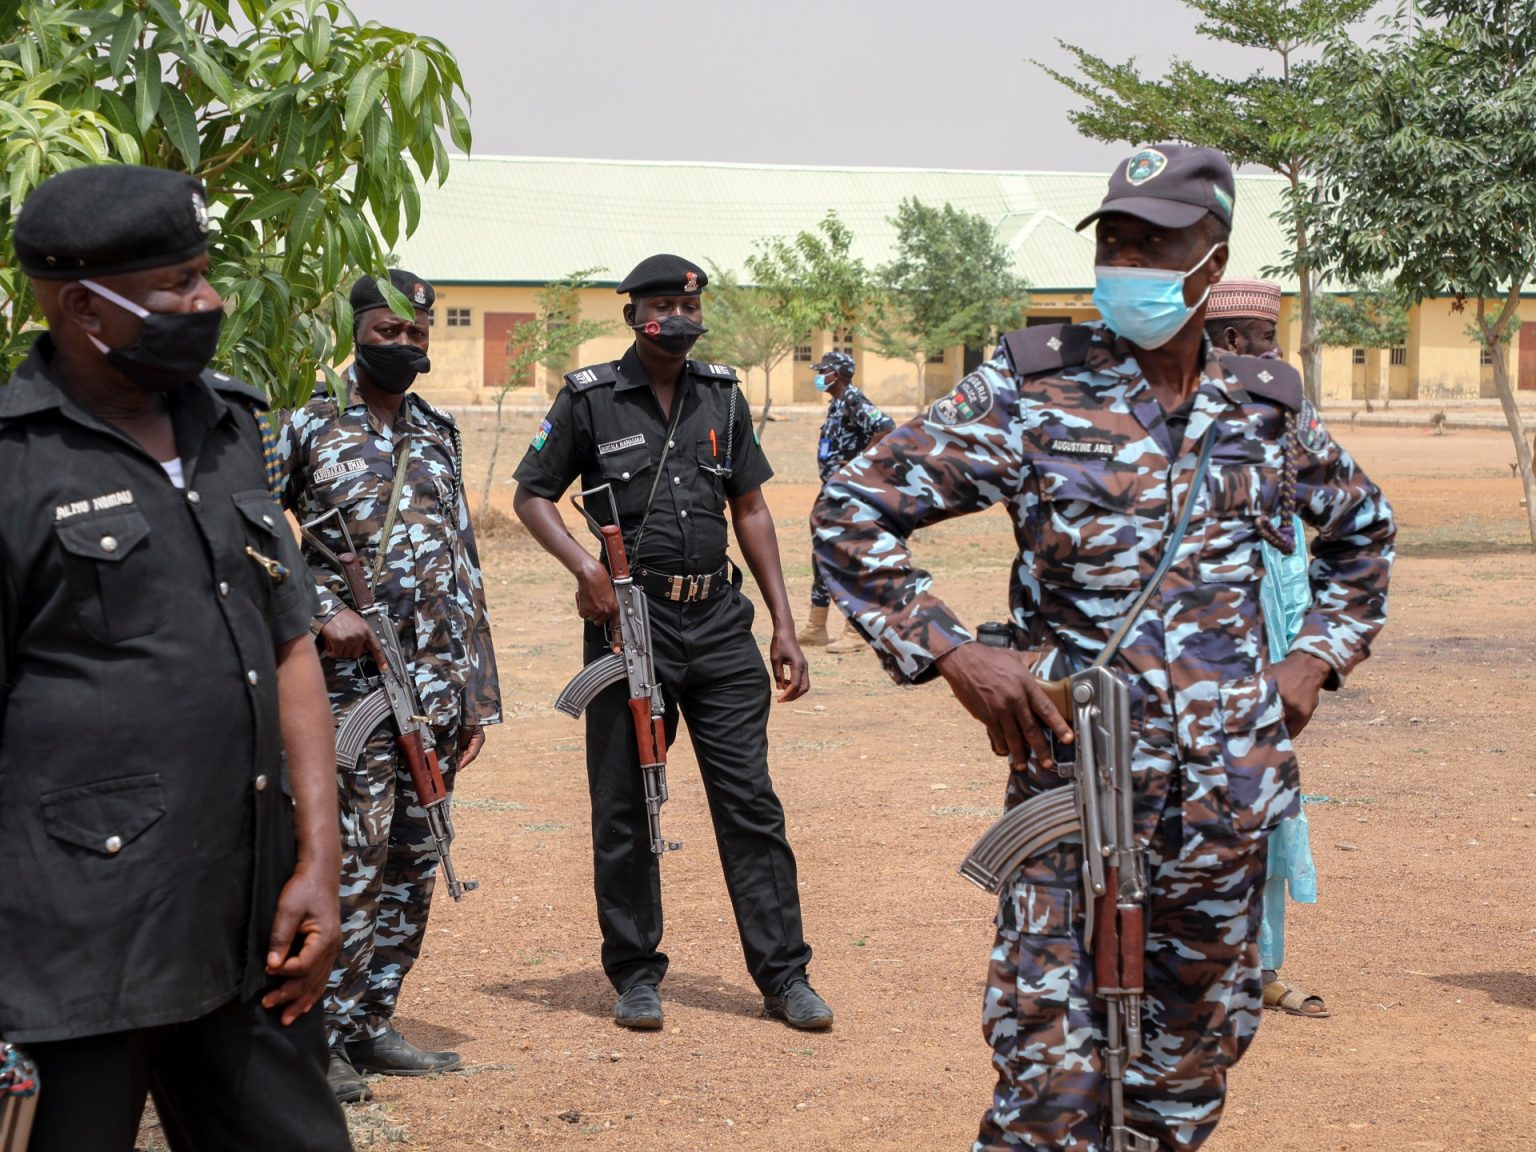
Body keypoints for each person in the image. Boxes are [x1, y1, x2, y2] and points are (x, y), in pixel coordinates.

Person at [812, 145, 1395, 1150]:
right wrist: (953, 652)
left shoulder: (1263, 408)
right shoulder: (1033, 386)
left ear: (1212, 262)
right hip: (1072, 791)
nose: (1126, 263)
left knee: (1186, 1076)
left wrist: (1313, 659)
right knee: (1051, 1087)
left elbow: (1362, 534)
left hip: (1224, 798)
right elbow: (852, 509)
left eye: (1153, 244)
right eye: (1114, 241)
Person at [0, 165, 351, 1150]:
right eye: (177, 284)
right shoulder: (15, 465)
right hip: (70, 958)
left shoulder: (228, 426)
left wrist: (319, 861)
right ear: (82, 307)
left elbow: (290, 642)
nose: (208, 302)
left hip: (251, 933)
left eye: (205, 274)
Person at [512, 253, 832, 1032]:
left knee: (750, 803)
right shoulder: (589, 398)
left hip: (719, 622)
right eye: (661, 305)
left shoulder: (723, 394)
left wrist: (783, 621)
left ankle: (784, 977)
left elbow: (750, 508)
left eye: (689, 305)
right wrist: (586, 568)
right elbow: (531, 495)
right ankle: (634, 974)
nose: (678, 317)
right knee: (625, 804)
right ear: (632, 315)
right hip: (631, 623)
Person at [277, 269, 502, 1102]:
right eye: (388, 330)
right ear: (356, 330)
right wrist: (319, 608)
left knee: (413, 854)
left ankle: (372, 1021)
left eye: (416, 332)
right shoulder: (307, 422)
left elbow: (462, 559)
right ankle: (318, 1034)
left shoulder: (436, 430)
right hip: (346, 692)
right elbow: (250, 532)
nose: (404, 344)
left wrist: (477, 690)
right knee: (351, 858)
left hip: (433, 686)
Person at [1206, 277, 1330, 1021]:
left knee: (1269, 794)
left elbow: (1345, 518)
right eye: (1263, 338)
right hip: (1203, 637)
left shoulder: (1285, 408)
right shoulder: (1170, 412)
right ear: (1229, 341)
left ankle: (1262, 965)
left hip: (1277, 627)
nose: (1274, 351)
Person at [796, 350, 894, 652]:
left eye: (822, 371)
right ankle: (816, 626)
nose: (818, 377)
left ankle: (856, 631)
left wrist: (860, 462)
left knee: (850, 554)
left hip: (850, 492)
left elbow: (886, 426)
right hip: (833, 490)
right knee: (821, 551)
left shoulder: (853, 399)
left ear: (835, 374)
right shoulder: (837, 403)